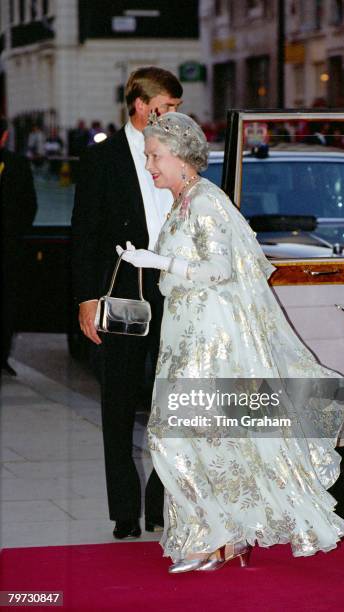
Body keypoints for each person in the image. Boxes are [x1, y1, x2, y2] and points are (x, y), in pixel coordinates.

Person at [117, 112, 344, 573]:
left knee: (173, 436)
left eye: (154, 156)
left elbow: (219, 270)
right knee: (202, 437)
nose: (149, 165)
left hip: (210, 338)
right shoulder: (184, 201)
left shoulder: (205, 201)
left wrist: (160, 261)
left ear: (182, 158)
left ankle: (217, 535)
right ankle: (224, 538)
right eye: (148, 156)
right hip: (186, 333)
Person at [71, 67, 183, 539]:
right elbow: (83, 236)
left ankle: (160, 503)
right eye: (167, 105)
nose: (173, 114)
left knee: (173, 404)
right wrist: (84, 300)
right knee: (117, 402)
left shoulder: (178, 152)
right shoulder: (102, 159)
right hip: (122, 294)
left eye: (176, 108)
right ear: (139, 104)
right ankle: (123, 510)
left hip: (176, 293)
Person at [0, 118, 37, 375]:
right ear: (4, 136)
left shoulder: (17, 164)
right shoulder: (19, 164)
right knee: (6, 303)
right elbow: (30, 206)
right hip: (9, 248)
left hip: (9, 248)